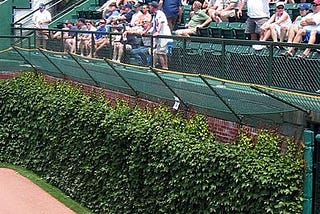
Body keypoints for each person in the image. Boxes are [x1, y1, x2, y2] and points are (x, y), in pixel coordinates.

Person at [143, 1, 173, 70]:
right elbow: (151, 24)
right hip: (160, 37)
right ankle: (165, 68)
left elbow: (160, 23)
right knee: (162, 53)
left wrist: (158, 32)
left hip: (164, 36)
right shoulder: (154, 15)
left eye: (150, 6)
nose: (149, 8)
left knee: (160, 53)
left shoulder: (160, 13)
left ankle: (164, 68)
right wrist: (145, 31)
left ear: (153, 7)